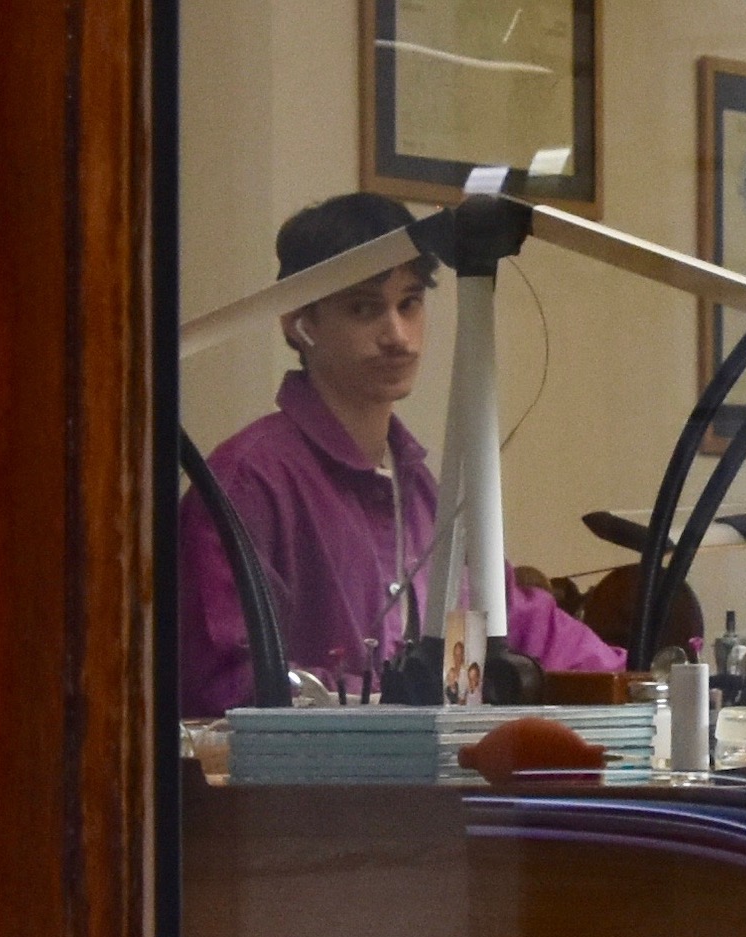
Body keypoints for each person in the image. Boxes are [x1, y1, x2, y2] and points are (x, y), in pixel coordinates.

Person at [178, 192, 625, 717]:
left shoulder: (424, 494)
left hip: (437, 788)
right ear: (298, 321)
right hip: (310, 795)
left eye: (409, 303)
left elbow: (519, 623)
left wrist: (642, 689)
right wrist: (387, 701)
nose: (397, 336)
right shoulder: (249, 482)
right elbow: (220, 686)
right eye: (364, 307)